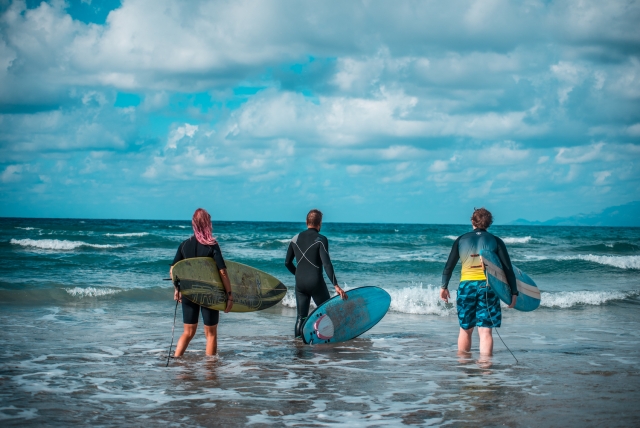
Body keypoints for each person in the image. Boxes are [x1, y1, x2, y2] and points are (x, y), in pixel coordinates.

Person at [439, 208, 518, 356]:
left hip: (466, 287)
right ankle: (486, 367)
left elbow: (448, 267)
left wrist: (444, 286)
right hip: (488, 287)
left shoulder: (461, 240)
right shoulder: (496, 241)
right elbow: (508, 270)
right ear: (489, 223)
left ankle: (463, 365)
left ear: (472, 221)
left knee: (465, 328)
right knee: (485, 329)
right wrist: (514, 292)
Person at [170, 208, 233, 357]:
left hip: (189, 293)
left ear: (194, 224)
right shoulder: (212, 245)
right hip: (209, 293)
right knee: (210, 334)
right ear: (207, 224)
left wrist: (177, 289)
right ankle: (210, 370)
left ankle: (176, 360)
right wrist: (229, 295)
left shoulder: (184, 245)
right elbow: (222, 271)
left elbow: (173, 270)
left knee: (188, 331)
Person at [285, 209, 348, 338]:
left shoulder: (294, 239)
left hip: (300, 283)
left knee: (301, 318)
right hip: (316, 282)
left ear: (306, 222)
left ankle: (298, 347)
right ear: (320, 223)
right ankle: (334, 343)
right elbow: (327, 264)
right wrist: (336, 285)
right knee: (328, 314)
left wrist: (298, 274)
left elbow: (287, 263)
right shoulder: (321, 239)